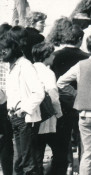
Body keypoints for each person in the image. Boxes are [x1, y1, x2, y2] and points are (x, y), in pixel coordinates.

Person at [56, 33, 91, 175]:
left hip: (85, 114)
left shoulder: (81, 65)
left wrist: (76, 93)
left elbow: (61, 82)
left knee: (87, 153)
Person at [1, 34, 45, 175]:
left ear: (13, 48)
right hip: (15, 118)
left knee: (28, 163)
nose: (1, 53)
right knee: (20, 161)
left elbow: (39, 92)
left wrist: (24, 110)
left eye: (4, 49)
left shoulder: (25, 65)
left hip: (25, 119)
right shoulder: (11, 67)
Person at [30, 42, 63, 175]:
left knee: (35, 152)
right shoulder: (48, 73)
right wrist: (59, 114)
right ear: (46, 56)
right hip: (46, 116)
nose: (54, 56)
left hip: (30, 115)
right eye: (52, 54)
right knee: (56, 150)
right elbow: (53, 96)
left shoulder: (29, 69)